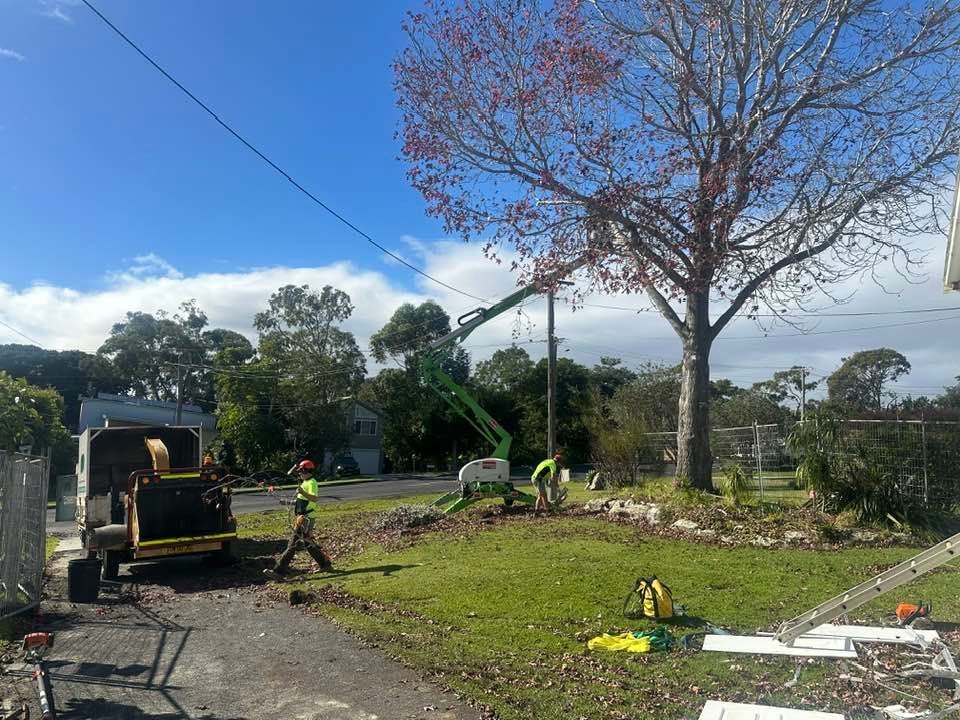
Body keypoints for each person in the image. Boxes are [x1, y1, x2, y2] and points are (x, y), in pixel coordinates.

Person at [264, 459, 332, 577]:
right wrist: (285, 501)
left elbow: (314, 499)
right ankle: (325, 564)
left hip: (306, 518)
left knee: (292, 544)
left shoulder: (312, 483)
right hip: (301, 517)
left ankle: (278, 571)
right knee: (308, 544)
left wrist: (302, 492)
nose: (299, 474)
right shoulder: (304, 483)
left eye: (301, 471)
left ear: (307, 471)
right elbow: (300, 501)